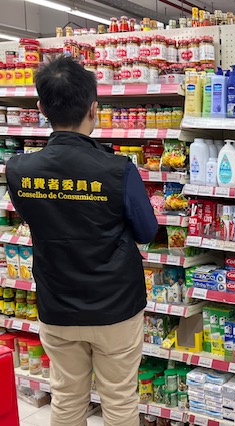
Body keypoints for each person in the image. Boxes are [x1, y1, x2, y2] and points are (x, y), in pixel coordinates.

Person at [6, 57, 158, 426]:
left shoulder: (19, 170)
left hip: (58, 304)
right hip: (116, 305)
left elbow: (34, 217)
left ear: (41, 108)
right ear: (94, 108)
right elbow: (147, 231)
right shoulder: (118, 170)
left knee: (66, 398)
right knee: (119, 400)